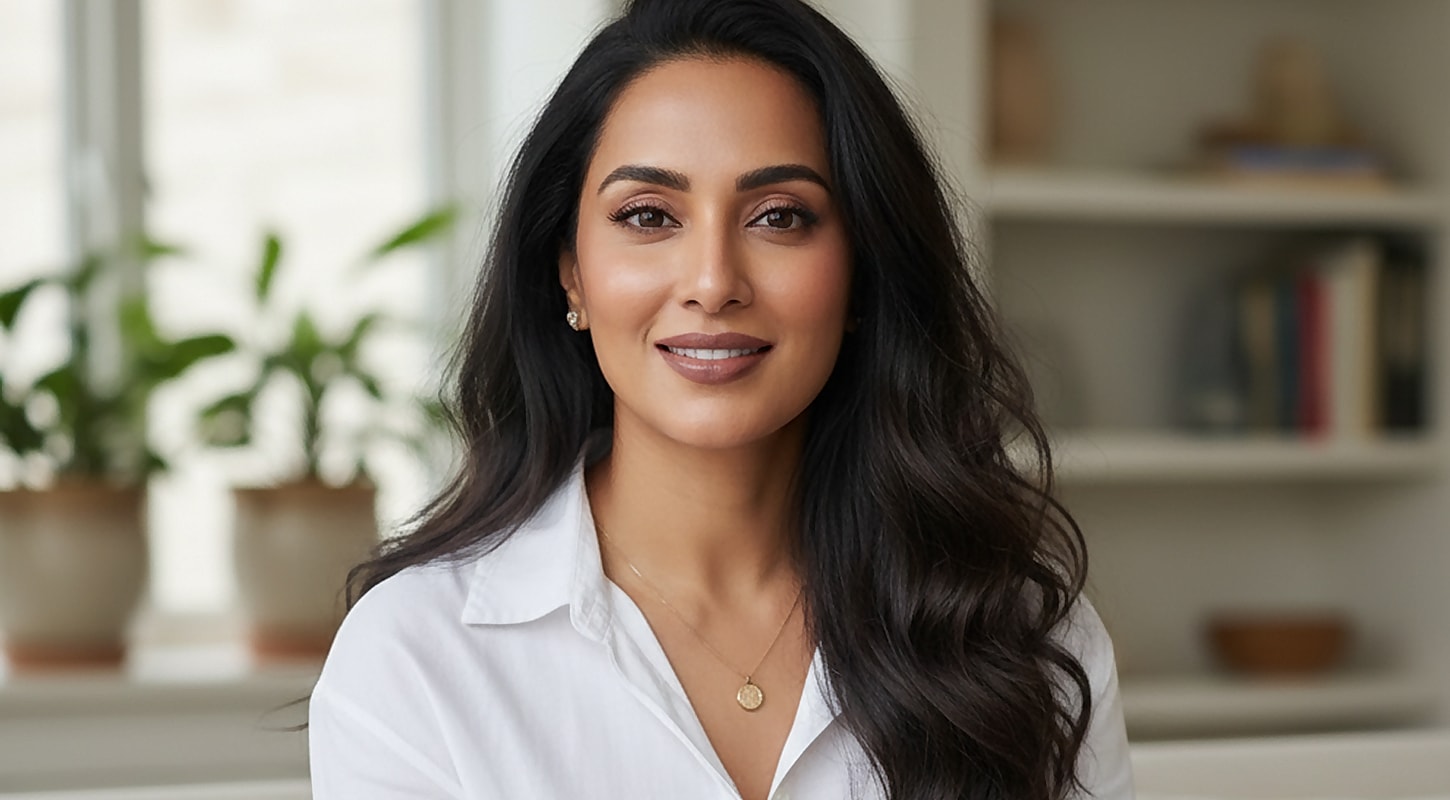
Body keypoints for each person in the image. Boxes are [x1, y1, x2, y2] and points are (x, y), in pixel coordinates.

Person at [308, 0, 1134, 797]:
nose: (712, 282)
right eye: (648, 216)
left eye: (779, 217)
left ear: (861, 272)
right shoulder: (415, 655)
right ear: (571, 273)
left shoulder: (1022, 634)